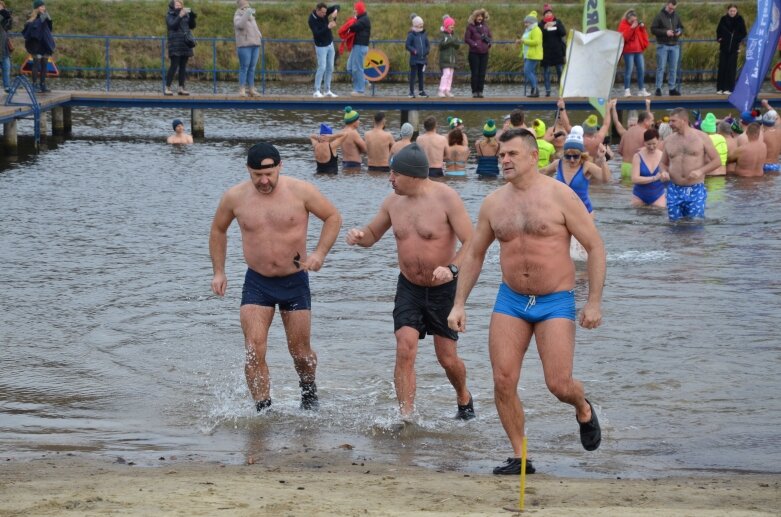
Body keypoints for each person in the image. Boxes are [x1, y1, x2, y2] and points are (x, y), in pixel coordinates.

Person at [447, 128, 605, 476]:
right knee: (503, 381)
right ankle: (521, 457)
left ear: (534, 157)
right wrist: (459, 303)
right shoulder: (493, 203)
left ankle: (582, 407)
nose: (504, 160)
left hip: (555, 300)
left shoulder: (561, 197)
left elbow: (595, 246)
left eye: (512, 154)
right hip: (511, 300)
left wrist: (593, 302)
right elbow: (474, 254)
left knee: (558, 384)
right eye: (502, 154)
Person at [346, 143, 475, 421]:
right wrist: (359, 237)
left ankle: (464, 398)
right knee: (405, 346)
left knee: (447, 358)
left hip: (443, 289)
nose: (390, 179)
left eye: (395, 174)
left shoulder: (447, 199)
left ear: (414, 176)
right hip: (409, 288)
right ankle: (406, 416)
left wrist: (452, 269)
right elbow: (372, 234)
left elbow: (472, 243)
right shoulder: (392, 202)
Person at [209, 142, 342, 412]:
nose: (264, 180)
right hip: (257, 281)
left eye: (269, 173)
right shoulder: (234, 197)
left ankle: (308, 392)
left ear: (280, 166)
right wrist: (219, 271)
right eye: (257, 175)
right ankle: (263, 409)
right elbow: (218, 230)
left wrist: (319, 253)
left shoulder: (301, 191)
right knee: (253, 349)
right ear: (249, 170)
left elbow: (332, 217)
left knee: (301, 354)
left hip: (295, 280)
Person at [661, 108, 721, 221]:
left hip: (695, 188)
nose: (670, 124)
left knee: (695, 224)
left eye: (673, 121)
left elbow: (717, 161)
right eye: (670, 121)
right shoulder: (669, 140)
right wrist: (663, 172)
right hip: (674, 188)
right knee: (674, 224)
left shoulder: (702, 137)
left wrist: (700, 171)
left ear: (684, 120)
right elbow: (663, 163)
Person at [541, 126, 611, 215]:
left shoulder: (586, 166)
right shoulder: (558, 164)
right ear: (564, 154)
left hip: (584, 213)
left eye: (576, 156)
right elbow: (542, 172)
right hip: (562, 211)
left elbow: (606, 179)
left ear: (581, 154)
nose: (572, 160)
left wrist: (602, 159)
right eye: (568, 156)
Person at [650, 0, 683, 97]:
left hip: (675, 45)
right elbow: (653, 29)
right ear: (667, 5)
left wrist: (679, 31)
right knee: (661, 68)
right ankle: (658, 88)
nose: (671, 10)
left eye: (673, 9)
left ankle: (672, 89)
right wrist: (665, 32)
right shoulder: (659, 16)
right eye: (670, 8)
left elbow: (681, 27)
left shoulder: (676, 16)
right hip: (662, 45)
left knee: (673, 68)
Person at [164, 0, 197, 96]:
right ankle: (167, 87)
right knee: (174, 65)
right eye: (177, 4)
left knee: (183, 66)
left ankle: (181, 88)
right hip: (174, 44)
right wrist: (180, 16)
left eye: (180, 4)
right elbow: (172, 25)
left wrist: (192, 16)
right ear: (172, 5)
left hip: (185, 43)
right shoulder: (169, 15)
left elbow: (192, 26)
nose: (179, 6)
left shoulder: (185, 14)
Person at [22, 0, 55, 94]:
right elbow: (30, 31)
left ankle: (43, 84)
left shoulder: (45, 16)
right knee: (36, 64)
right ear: (36, 8)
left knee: (45, 64)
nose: (43, 8)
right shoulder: (31, 19)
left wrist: (47, 18)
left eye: (44, 6)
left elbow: (49, 28)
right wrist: (40, 19)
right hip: (36, 45)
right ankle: (34, 85)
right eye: (41, 7)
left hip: (45, 44)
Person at [309, 2, 340, 98]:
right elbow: (317, 33)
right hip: (321, 46)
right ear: (317, 10)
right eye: (322, 13)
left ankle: (327, 90)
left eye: (325, 12)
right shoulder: (311, 19)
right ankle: (316, 90)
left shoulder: (325, 12)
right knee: (322, 67)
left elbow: (337, 5)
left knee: (330, 67)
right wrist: (328, 27)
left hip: (330, 43)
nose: (324, 14)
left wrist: (335, 11)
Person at [630, 128, 667, 207]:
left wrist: (665, 176)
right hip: (639, 196)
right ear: (644, 142)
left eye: (654, 144)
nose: (651, 147)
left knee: (658, 214)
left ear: (659, 140)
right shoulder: (637, 156)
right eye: (648, 144)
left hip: (658, 195)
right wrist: (654, 178)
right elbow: (634, 179)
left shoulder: (663, 156)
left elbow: (669, 179)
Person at [618, 9, 651, 97]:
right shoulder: (623, 25)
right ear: (628, 19)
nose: (634, 22)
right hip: (628, 51)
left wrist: (642, 27)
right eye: (632, 20)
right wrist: (631, 28)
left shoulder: (636, 24)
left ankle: (641, 89)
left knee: (641, 69)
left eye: (635, 20)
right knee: (629, 70)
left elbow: (642, 35)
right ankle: (627, 90)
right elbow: (624, 38)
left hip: (638, 50)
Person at [715, 4, 746, 95]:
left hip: (734, 48)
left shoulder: (740, 19)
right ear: (728, 11)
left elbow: (744, 32)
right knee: (722, 67)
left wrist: (737, 39)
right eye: (731, 11)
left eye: (734, 11)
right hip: (724, 47)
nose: (732, 12)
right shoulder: (723, 19)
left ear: (736, 11)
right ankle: (720, 88)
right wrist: (719, 38)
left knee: (731, 69)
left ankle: (729, 88)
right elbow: (718, 31)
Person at [617, 108, 655, 180]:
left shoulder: (627, 132)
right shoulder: (646, 133)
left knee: (625, 190)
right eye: (652, 121)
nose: (652, 123)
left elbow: (620, 151)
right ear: (646, 121)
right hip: (637, 168)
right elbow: (651, 152)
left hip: (625, 167)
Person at [234, 0, 262, 97]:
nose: (247, 8)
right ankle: (242, 89)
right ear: (241, 7)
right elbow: (240, 25)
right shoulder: (237, 16)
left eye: (248, 7)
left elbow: (255, 28)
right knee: (244, 68)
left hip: (255, 45)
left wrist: (259, 35)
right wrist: (246, 14)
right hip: (244, 46)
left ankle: (251, 89)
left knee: (252, 68)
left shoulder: (251, 17)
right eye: (245, 7)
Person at [538, 4, 566, 98]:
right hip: (546, 52)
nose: (548, 14)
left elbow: (563, 33)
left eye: (550, 12)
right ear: (544, 15)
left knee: (559, 71)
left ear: (552, 13)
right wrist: (544, 29)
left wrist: (557, 25)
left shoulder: (557, 21)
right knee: (546, 72)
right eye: (546, 13)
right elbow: (539, 36)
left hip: (557, 51)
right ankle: (548, 91)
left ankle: (562, 91)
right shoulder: (541, 24)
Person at [464, 8, 491, 98]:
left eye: (481, 16)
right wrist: (474, 44)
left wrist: (489, 44)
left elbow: (490, 37)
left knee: (482, 73)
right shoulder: (470, 27)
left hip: (484, 52)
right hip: (474, 53)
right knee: (475, 72)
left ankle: (480, 91)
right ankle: (474, 91)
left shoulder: (486, 27)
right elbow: (467, 39)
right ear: (474, 17)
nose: (480, 18)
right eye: (478, 16)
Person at [345, 1, 370, 96]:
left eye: (356, 9)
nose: (354, 10)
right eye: (354, 9)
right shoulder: (360, 19)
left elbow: (353, 27)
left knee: (357, 68)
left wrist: (353, 19)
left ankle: (359, 90)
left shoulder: (364, 20)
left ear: (359, 10)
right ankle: (364, 82)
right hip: (356, 46)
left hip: (360, 46)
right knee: (350, 67)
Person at [405, 13, 430, 98]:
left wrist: (426, 51)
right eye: (419, 25)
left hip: (422, 59)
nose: (421, 26)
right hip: (414, 59)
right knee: (413, 75)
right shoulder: (411, 34)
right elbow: (407, 45)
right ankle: (411, 92)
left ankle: (421, 91)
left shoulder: (424, 34)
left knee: (421, 75)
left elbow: (427, 45)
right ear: (415, 25)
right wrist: (414, 51)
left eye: (422, 24)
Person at [520, 10, 542, 98]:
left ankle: (535, 90)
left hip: (534, 55)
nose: (525, 24)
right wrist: (521, 41)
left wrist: (524, 41)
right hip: (528, 54)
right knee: (529, 72)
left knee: (527, 71)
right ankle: (533, 90)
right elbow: (525, 40)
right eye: (525, 22)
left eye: (527, 22)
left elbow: (536, 42)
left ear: (532, 22)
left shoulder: (536, 30)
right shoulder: (528, 30)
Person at [437, 15, 459, 98]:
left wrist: (455, 42)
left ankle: (447, 90)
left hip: (452, 59)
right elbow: (441, 45)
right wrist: (450, 41)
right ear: (446, 26)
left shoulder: (453, 35)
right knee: (446, 74)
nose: (452, 26)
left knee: (450, 75)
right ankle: (441, 90)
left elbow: (457, 45)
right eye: (450, 25)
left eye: (453, 25)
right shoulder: (443, 35)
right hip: (445, 59)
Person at [339, 106, 366, 171]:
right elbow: (365, 149)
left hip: (344, 163)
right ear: (354, 121)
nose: (359, 122)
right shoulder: (353, 133)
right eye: (358, 120)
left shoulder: (341, 132)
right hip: (354, 164)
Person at [760, 107, 781, 173]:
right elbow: (778, 117)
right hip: (777, 166)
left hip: (765, 165)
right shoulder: (779, 132)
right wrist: (767, 105)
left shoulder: (763, 135)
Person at [0, 1, 12, 93]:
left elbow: (8, 27)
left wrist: (7, 16)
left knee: (6, 68)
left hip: (4, 47)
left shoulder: (6, 17)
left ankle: (7, 87)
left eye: (1, 6)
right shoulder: (2, 16)